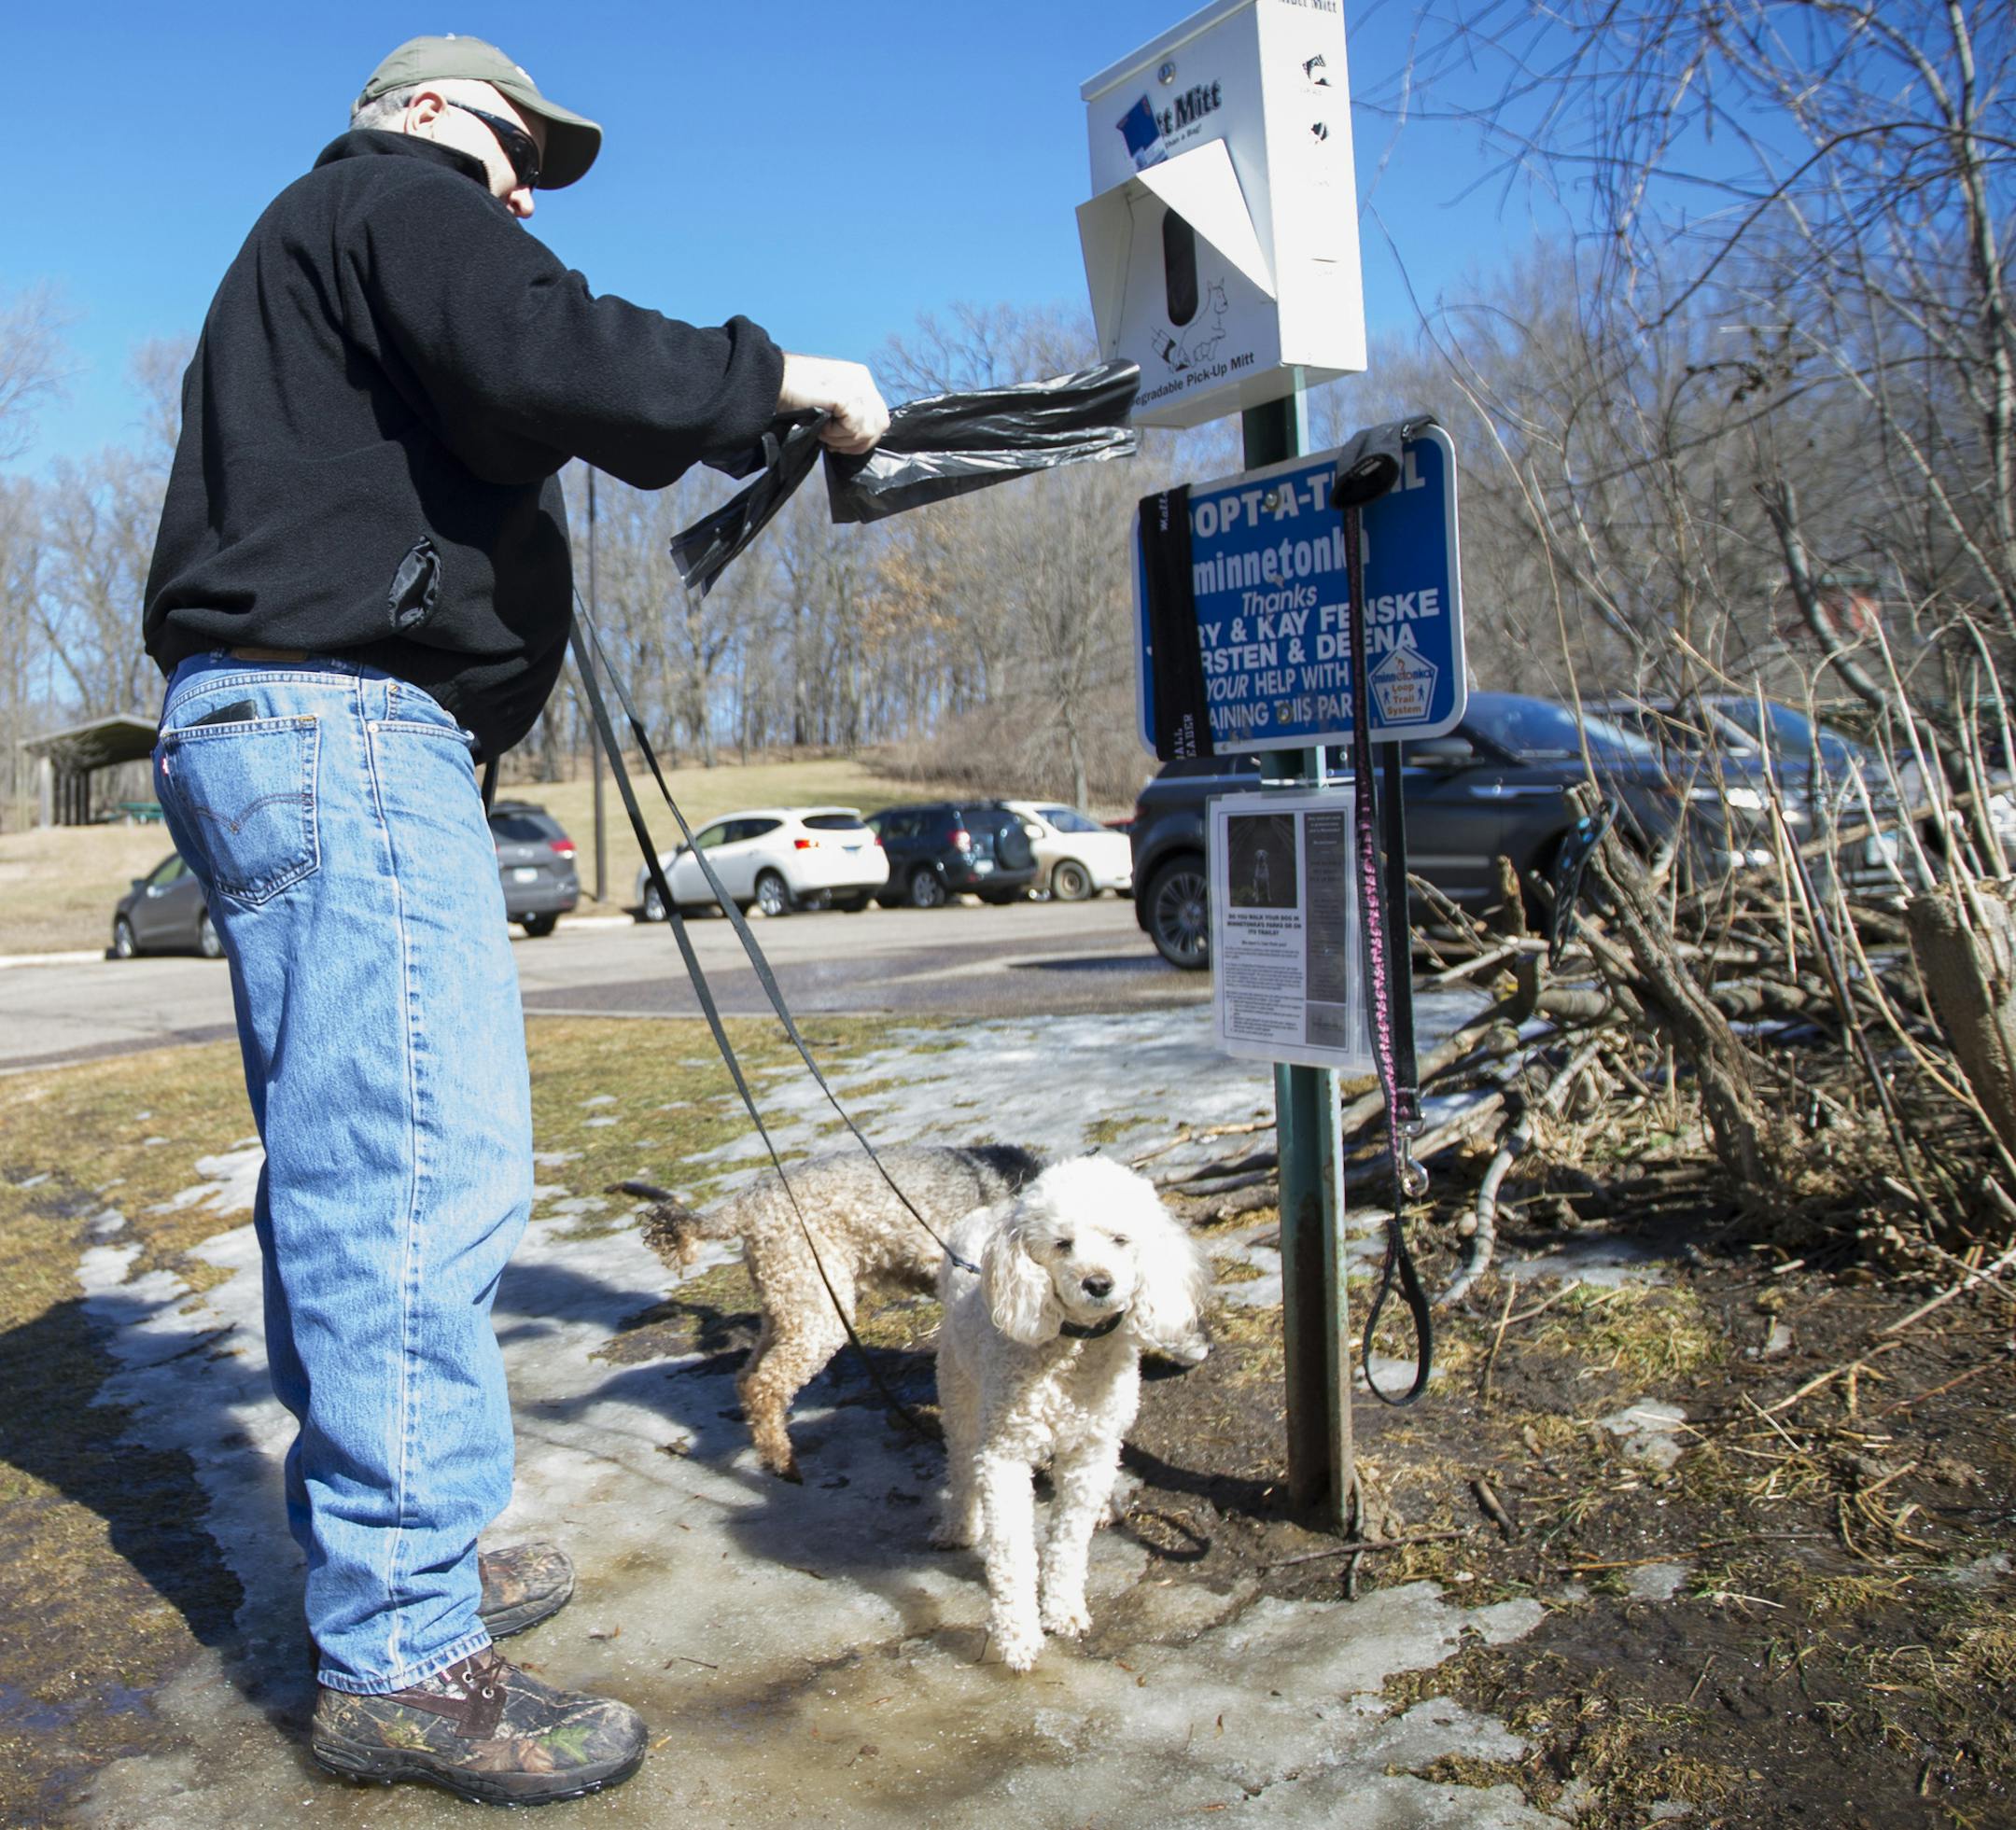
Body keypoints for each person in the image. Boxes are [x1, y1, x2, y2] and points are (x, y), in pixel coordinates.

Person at [142, 35, 889, 1807]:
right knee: (412, 1179)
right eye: (511, 143)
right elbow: (554, 346)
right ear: (420, 116)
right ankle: (402, 1652)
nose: (525, 186)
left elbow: (498, 389)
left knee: (353, 1173)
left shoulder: (310, 261)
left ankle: (401, 1561)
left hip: (284, 731)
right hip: (344, 729)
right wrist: (783, 379)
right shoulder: (397, 200)